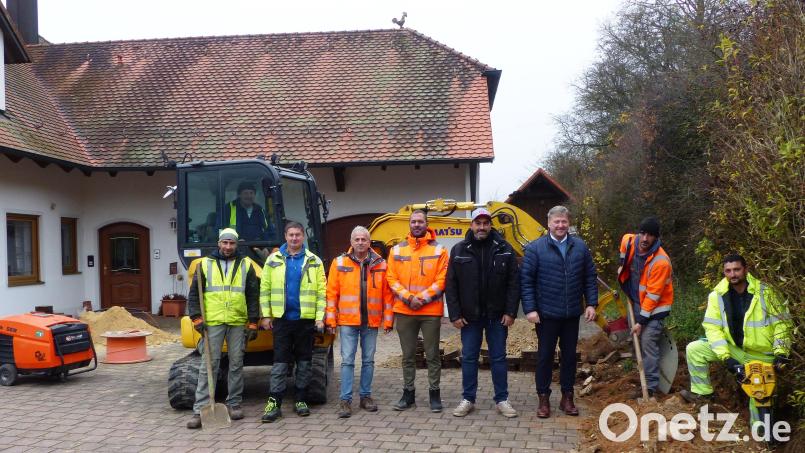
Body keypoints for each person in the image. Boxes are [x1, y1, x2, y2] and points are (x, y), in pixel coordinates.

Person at [680, 254, 791, 426]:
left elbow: (782, 325)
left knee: (760, 397)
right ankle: (703, 397)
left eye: (737, 269)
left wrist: (781, 352)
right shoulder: (717, 296)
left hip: (761, 355)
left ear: (745, 270)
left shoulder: (766, 292)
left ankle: (761, 433)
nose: (733, 274)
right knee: (695, 349)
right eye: (728, 271)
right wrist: (726, 357)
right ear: (724, 273)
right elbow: (712, 328)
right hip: (735, 350)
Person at [521, 205, 597, 418]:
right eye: (557, 222)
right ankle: (543, 399)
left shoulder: (580, 247)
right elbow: (526, 281)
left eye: (564, 221)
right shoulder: (535, 249)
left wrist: (591, 303)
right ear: (549, 223)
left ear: (568, 223)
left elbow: (589, 277)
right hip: (545, 315)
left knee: (569, 357)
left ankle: (567, 397)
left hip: (571, 313)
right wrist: (530, 309)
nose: (561, 225)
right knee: (545, 357)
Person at [446, 208, 520, 418]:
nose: (481, 227)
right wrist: (455, 314)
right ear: (471, 225)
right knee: (469, 357)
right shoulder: (459, 249)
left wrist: (511, 311)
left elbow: (514, 283)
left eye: (485, 223)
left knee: (498, 358)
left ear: (490, 225)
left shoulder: (505, 248)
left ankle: (502, 400)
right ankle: (468, 399)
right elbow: (451, 285)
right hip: (470, 317)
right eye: (477, 223)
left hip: (497, 316)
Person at [186, 228, 260, 429]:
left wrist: (253, 322)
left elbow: (253, 295)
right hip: (213, 321)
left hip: (237, 321)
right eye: (225, 243)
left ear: (237, 245)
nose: (228, 247)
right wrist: (196, 318)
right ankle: (199, 409)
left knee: (236, 362)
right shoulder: (205, 264)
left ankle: (234, 403)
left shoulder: (246, 265)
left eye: (232, 243)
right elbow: (194, 295)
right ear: (219, 243)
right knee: (209, 364)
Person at [259, 221, 326, 422]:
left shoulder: (315, 261)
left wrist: (319, 317)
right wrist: (266, 315)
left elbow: (322, 292)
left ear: (303, 237)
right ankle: (274, 402)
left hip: (305, 320)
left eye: (298, 235)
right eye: (291, 235)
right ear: (286, 237)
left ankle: (300, 399)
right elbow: (265, 289)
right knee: (280, 362)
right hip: (282, 320)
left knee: (304, 362)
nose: (294, 238)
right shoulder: (272, 260)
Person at [326, 226, 394, 418]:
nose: (360, 242)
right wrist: (331, 319)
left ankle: (365, 396)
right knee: (347, 361)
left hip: (371, 322)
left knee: (368, 360)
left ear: (369, 241)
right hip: (348, 321)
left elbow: (387, 295)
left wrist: (388, 321)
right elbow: (331, 294)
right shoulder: (339, 263)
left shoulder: (381, 263)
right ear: (351, 242)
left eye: (364, 239)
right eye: (357, 239)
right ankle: (345, 400)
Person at [387, 210, 449, 412]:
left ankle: (434, 394)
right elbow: (391, 279)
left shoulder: (440, 250)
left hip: (430, 311)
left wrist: (420, 299)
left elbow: (442, 280)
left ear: (427, 224)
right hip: (405, 311)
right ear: (409, 224)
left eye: (420, 221)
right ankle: (408, 394)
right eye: (413, 221)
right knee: (407, 356)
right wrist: (408, 298)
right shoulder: (396, 250)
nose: (416, 225)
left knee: (432, 355)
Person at [617, 217, 673, 399]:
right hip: (635, 302)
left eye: (650, 235)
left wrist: (641, 321)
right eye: (643, 233)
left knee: (647, 342)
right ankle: (641, 378)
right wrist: (621, 265)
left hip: (654, 309)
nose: (645, 238)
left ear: (656, 238)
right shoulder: (629, 241)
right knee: (636, 343)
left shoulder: (661, 262)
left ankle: (649, 387)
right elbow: (624, 246)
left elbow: (653, 297)